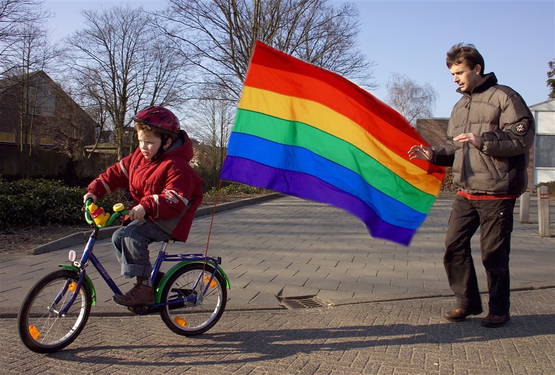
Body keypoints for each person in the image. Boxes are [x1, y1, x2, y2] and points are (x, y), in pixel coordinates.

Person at [408, 43, 535, 328]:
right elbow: (455, 146)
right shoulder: (460, 105)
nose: (455, 78)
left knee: (493, 254)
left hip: (497, 192)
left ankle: (499, 309)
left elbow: (521, 139)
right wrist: (433, 153)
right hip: (466, 190)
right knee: (453, 246)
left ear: (477, 69)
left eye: (459, 72)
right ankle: (467, 302)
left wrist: (484, 141)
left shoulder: (506, 97)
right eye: (452, 74)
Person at [83, 106, 203, 307]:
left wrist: (146, 206)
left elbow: (174, 198)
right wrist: (94, 191)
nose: (143, 147)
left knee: (132, 235)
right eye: (140, 141)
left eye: (149, 142)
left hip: (172, 218)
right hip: (151, 213)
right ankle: (150, 281)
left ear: (167, 142)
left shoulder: (177, 166)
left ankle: (145, 290)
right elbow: (116, 174)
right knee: (118, 236)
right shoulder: (139, 158)